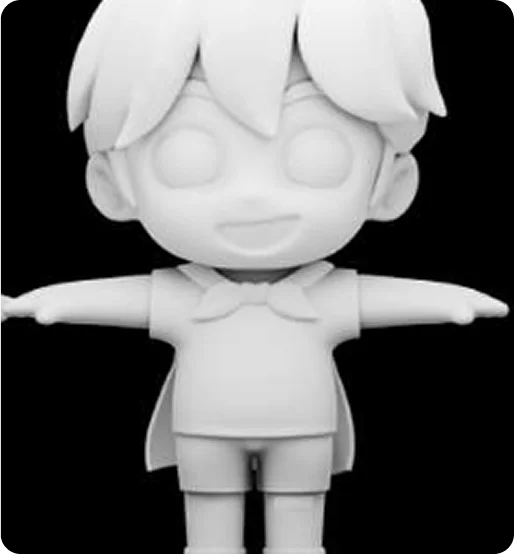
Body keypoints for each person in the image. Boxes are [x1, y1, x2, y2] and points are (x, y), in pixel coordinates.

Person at [0, 1, 509, 553]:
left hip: (305, 429)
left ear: (392, 186)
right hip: (203, 429)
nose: (252, 195)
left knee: (299, 528)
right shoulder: (183, 296)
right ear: (110, 187)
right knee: (209, 530)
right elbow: (113, 300)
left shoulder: (324, 295)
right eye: (188, 158)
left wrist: (452, 301)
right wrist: (37, 303)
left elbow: (392, 299)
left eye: (317, 157)